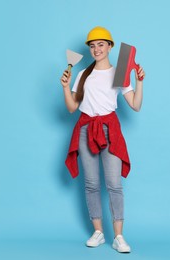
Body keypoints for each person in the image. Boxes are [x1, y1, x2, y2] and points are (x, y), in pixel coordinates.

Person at [60, 26, 145, 253]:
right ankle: (98, 232)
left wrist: (140, 81)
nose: (96, 49)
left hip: (110, 130)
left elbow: (135, 105)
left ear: (109, 46)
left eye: (100, 44)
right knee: (91, 184)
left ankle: (118, 237)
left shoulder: (118, 74)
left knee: (114, 185)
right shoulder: (83, 75)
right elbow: (71, 108)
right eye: (92, 45)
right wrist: (66, 88)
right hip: (86, 129)